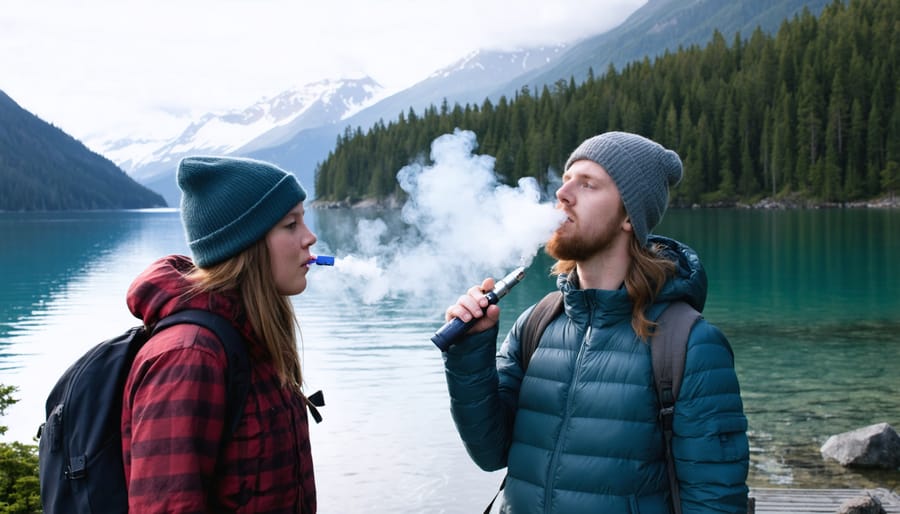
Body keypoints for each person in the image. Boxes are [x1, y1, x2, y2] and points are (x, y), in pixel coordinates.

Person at [441, 132, 749, 513]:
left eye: (588, 184)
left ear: (628, 217)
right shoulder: (537, 323)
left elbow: (714, 503)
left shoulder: (691, 345)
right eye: (566, 180)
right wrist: (470, 351)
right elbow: (490, 452)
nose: (563, 194)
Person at [121, 156, 320, 513]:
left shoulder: (253, 339)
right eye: (291, 224)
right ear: (245, 245)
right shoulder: (189, 358)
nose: (310, 237)